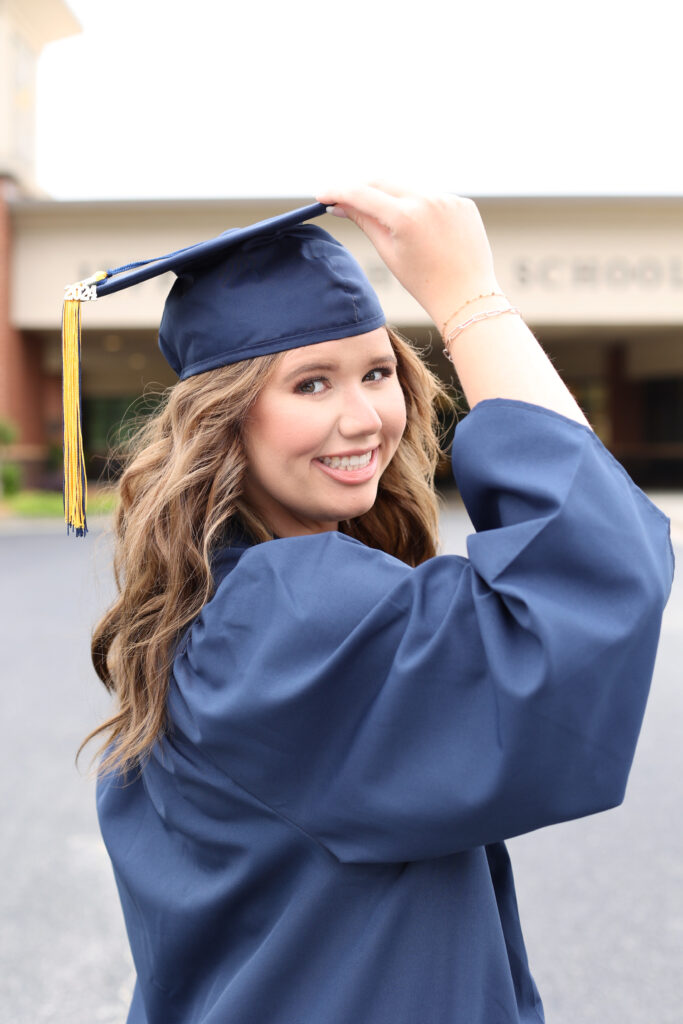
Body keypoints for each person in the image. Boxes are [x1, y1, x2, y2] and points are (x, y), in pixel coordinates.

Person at [78, 181, 674, 1024]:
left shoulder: (213, 605)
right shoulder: (284, 621)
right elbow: (588, 574)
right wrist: (471, 302)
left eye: (377, 371)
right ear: (224, 422)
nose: (363, 417)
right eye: (310, 385)